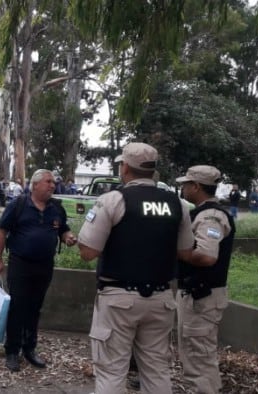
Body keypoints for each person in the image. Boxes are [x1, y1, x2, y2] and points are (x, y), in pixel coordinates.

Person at [76, 142, 194, 393]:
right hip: (162, 299)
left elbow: (88, 252)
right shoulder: (177, 204)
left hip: (119, 298)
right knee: (156, 369)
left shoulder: (113, 200)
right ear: (152, 170)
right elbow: (185, 251)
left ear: (125, 167)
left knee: (111, 369)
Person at [0, 169, 77, 372]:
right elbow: (2, 232)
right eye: (48, 181)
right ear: (36, 185)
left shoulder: (56, 208)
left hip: (45, 265)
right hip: (20, 264)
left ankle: (29, 348)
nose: (53, 185)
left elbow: (63, 229)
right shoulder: (18, 205)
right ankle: (12, 350)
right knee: (18, 307)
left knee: (35, 307)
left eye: (54, 182)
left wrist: (68, 237)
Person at [176, 165, 235, 394]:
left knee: (198, 356)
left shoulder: (211, 216)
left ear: (196, 186)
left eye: (186, 184)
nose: (182, 188)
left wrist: (179, 253)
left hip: (202, 298)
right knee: (197, 354)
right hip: (199, 295)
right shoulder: (202, 212)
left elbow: (207, 256)